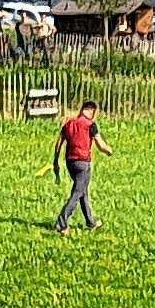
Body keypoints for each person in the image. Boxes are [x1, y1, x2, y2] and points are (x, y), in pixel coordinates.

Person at [53, 99, 114, 234]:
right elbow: (101, 145)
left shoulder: (68, 124)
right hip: (83, 163)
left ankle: (90, 222)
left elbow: (58, 144)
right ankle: (61, 223)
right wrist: (109, 150)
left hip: (70, 163)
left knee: (83, 192)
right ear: (92, 111)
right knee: (77, 193)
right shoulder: (90, 125)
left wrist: (55, 162)